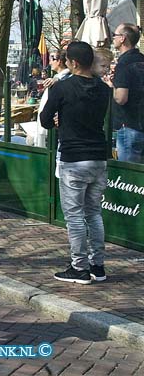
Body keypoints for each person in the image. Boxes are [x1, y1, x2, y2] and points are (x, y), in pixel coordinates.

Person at [40, 41, 110, 284]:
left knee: (74, 216)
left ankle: (79, 267)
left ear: (74, 63)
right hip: (99, 158)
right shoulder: (103, 89)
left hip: (73, 157)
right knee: (94, 213)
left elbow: (45, 119)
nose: (65, 63)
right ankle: (97, 266)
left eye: (67, 60)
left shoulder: (62, 88)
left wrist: (60, 120)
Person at [111, 23, 144, 163]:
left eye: (115, 35)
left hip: (128, 125)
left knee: (130, 176)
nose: (113, 38)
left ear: (123, 38)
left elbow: (121, 98)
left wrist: (111, 86)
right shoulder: (141, 59)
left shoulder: (124, 63)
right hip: (141, 122)